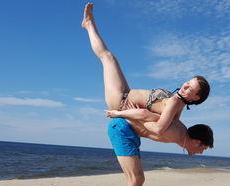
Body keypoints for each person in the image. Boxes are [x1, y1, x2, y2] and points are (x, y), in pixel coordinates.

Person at [82, 2, 210, 135]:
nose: (185, 85)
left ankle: (89, 24)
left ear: (196, 97)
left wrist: (123, 114)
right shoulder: (179, 105)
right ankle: (89, 24)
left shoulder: (175, 102)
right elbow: (161, 121)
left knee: (107, 57)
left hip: (120, 101)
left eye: (190, 88)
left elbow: (159, 129)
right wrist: (140, 114)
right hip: (125, 94)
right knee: (109, 58)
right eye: (188, 82)